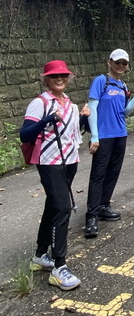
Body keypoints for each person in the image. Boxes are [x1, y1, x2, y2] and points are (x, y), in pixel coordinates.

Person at [20, 60, 87, 291]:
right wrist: (45, 121)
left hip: (69, 160)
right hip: (49, 162)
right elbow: (24, 134)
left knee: (53, 205)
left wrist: (84, 120)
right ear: (46, 79)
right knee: (63, 208)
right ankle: (59, 267)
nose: (59, 79)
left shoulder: (69, 103)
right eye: (54, 76)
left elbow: (73, 133)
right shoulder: (40, 103)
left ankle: (40, 254)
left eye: (63, 75)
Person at [84, 48, 134, 239]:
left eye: (124, 63)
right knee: (98, 175)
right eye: (117, 62)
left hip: (120, 134)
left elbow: (125, 112)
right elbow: (92, 109)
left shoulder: (122, 86)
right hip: (103, 136)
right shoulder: (101, 81)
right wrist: (95, 136)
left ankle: (104, 206)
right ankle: (91, 217)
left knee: (112, 173)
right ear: (109, 62)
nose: (121, 66)